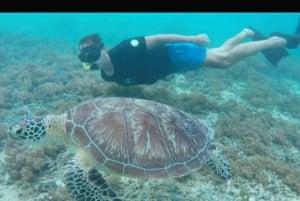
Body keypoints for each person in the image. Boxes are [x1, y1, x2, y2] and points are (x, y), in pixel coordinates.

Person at [78, 28, 287, 86]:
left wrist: (193, 39)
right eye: (85, 58)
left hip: (174, 54)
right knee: (218, 54)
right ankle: (245, 33)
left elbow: (158, 39)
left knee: (224, 61)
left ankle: (271, 42)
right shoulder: (107, 77)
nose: (91, 60)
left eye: (92, 54)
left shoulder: (124, 49)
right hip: (173, 66)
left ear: (102, 49)